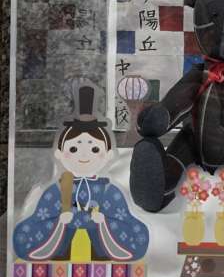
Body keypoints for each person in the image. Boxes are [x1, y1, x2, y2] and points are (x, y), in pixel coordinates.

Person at [13, 85, 149, 262]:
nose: (84, 155)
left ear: (108, 154)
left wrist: (103, 221)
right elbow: (39, 220)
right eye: (74, 148)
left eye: (94, 149)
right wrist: (59, 221)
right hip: (61, 253)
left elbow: (125, 222)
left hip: (101, 252)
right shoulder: (57, 191)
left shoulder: (109, 192)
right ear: (59, 153)